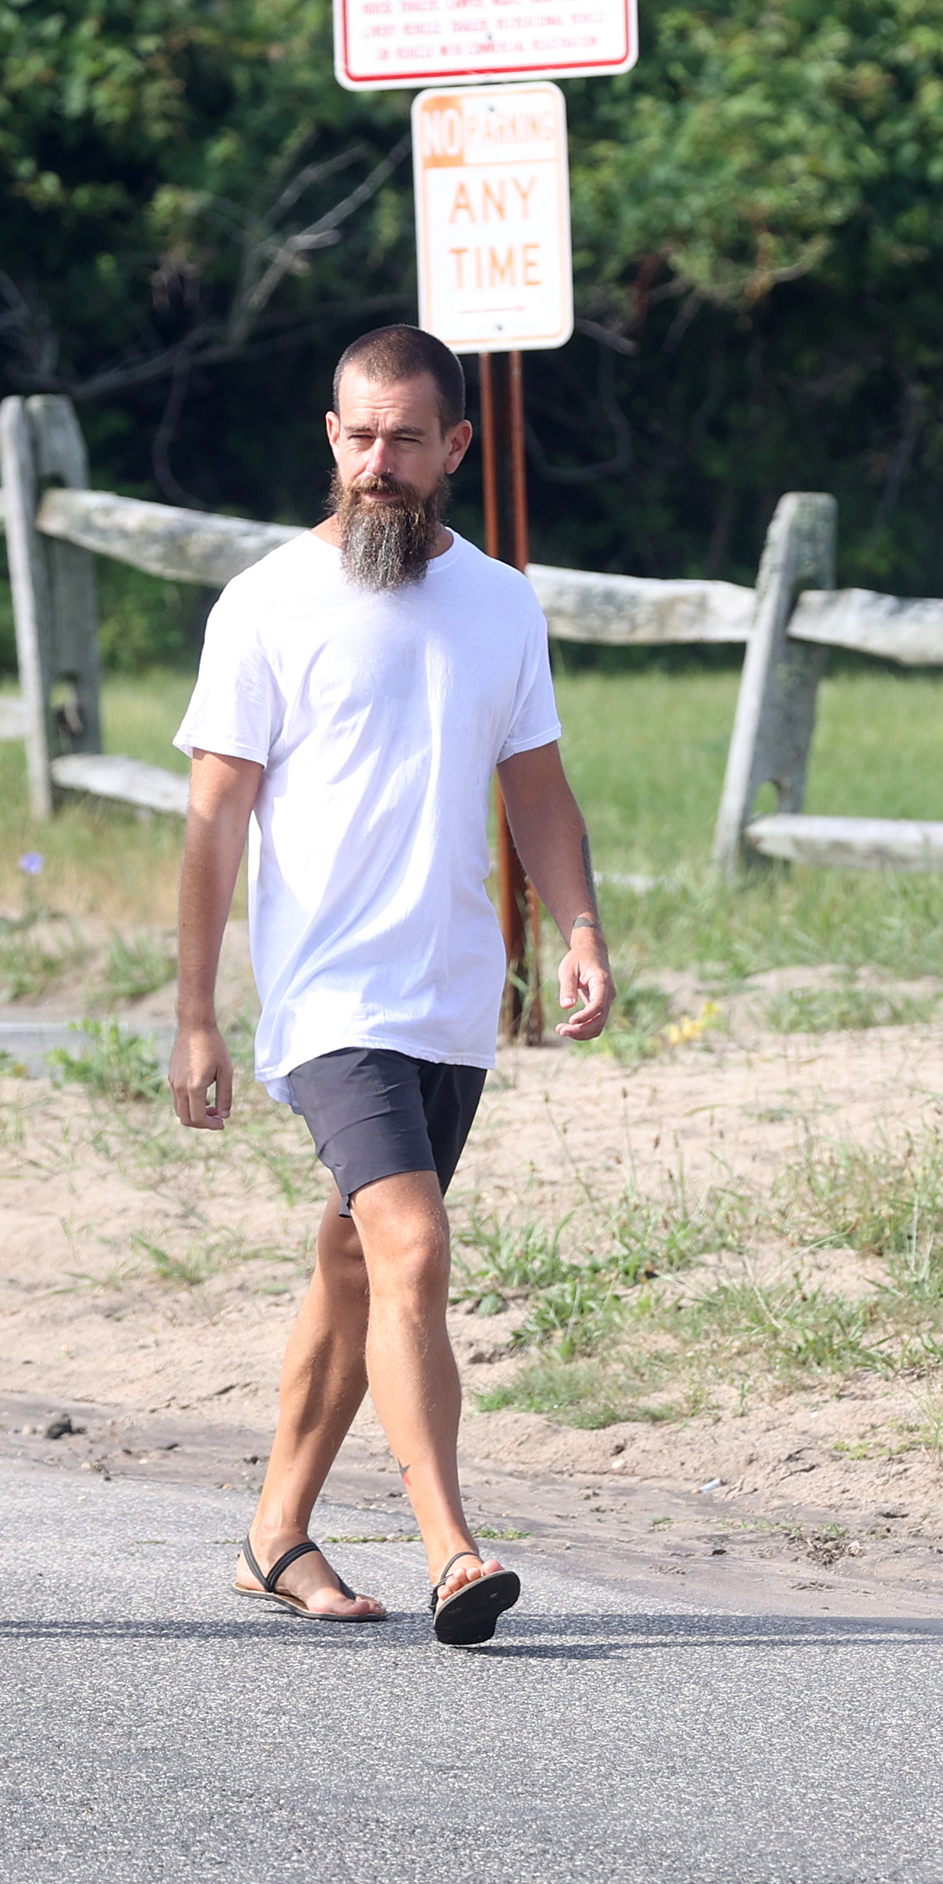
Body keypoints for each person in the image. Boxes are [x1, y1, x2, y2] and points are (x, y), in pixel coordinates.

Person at [169, 325, 612, 1647]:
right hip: (327, 1002)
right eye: (357, 437)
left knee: (353, 1263)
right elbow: (213, 822)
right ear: (330, 438)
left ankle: (275, 1532)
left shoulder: (500, 604)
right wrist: (196, 1013)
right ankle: (451, 1546)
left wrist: (580, 928)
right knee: (411, 1248)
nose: (376, 464)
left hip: (451, 1000)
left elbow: (536, 791)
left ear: (455, 450)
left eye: (405, 440)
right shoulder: (267, 603)